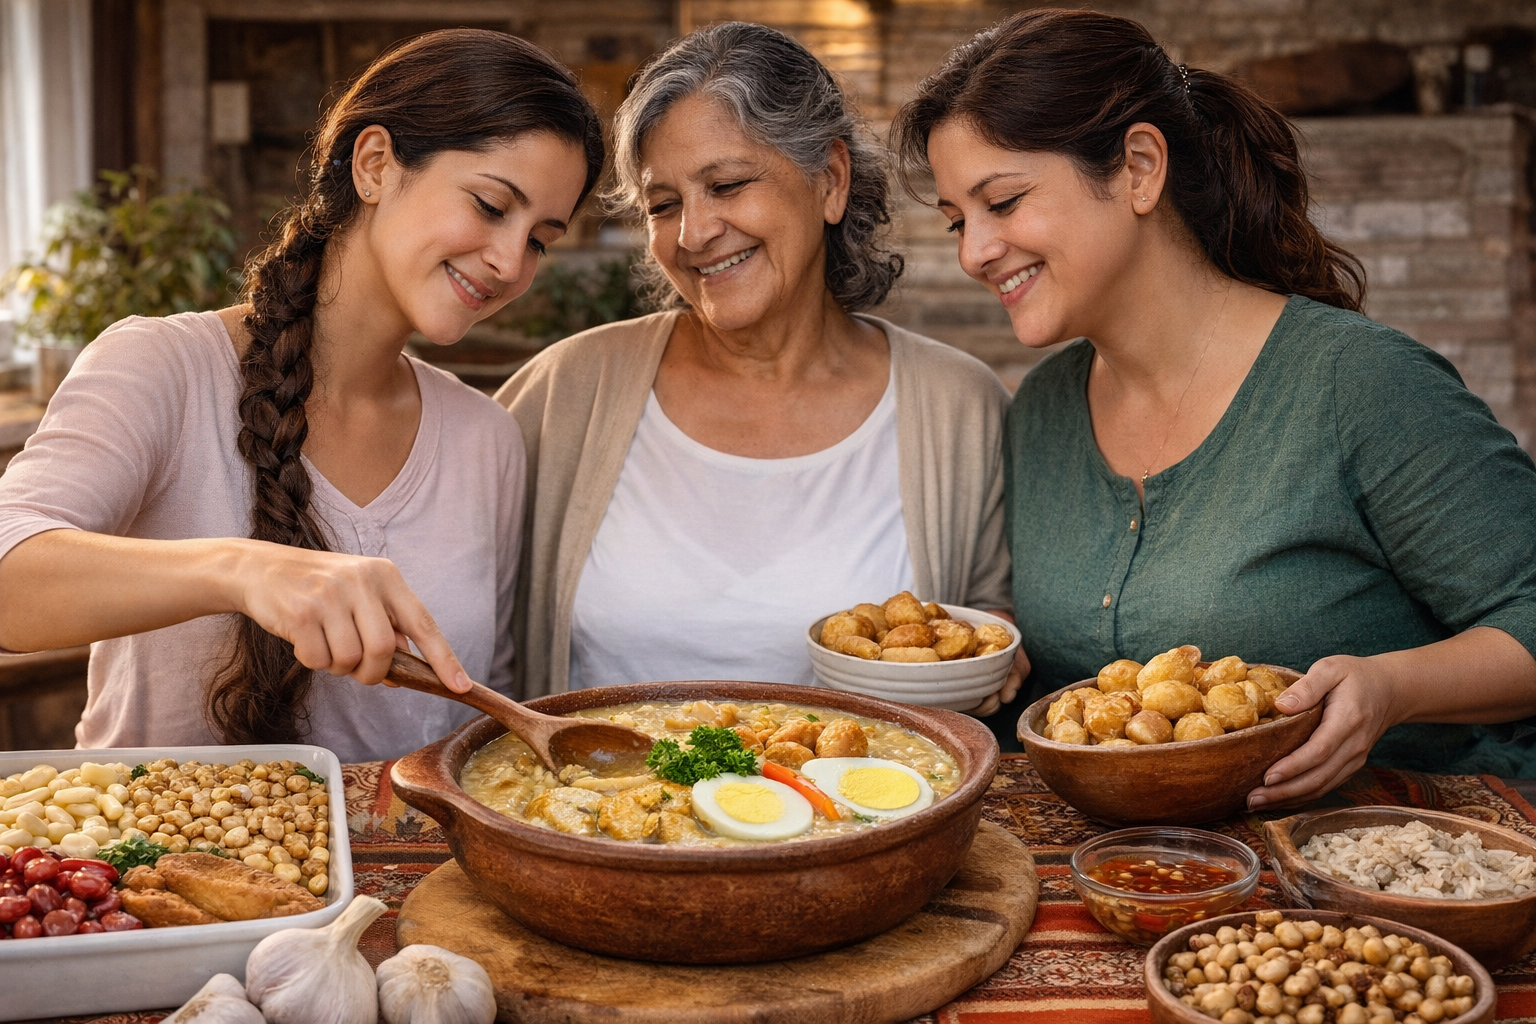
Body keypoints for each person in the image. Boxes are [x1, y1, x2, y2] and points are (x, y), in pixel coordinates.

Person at [891, 8, 1536, 804]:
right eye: (958, 222)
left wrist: (1391, 687)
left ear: (1138, 167)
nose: (974, 252)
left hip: (1387, 856)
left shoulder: (1359, 384)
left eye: (1005, 201)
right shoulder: (1043, 409)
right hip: (1129, 868)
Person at [0, 29, 604, 762]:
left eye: (540, 239)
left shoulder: (486, 438)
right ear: (375, 164)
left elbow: (485, 715)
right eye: (489, 205)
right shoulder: (164, 367)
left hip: (410, 843)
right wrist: (242, 569)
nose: (510, 262)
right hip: (152, 836)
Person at [498, 22, 1020, 710]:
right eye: (663, 205)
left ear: (830, 181)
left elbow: (988, 619)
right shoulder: (569, 390)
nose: (693, 234)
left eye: (727, 184)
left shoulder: (959, 406)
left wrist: (989, 654)